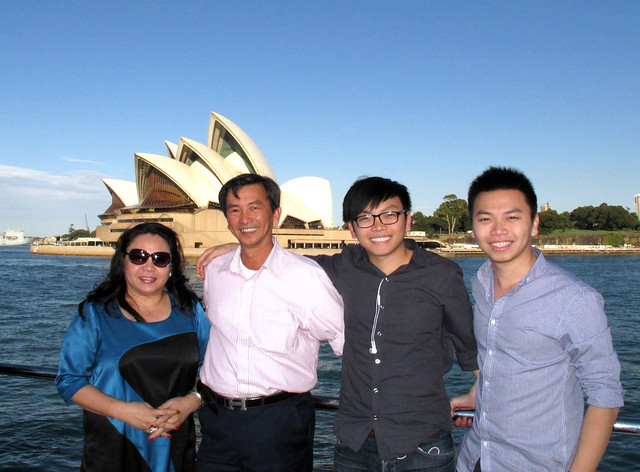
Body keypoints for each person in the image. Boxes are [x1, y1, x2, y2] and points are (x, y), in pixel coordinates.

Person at [197, 176, 478, 472]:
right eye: (365, 218)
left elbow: (469, 343)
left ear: (407, 220)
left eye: (389, 214)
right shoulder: (342, 266)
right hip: (355, 441)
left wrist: (478, 389)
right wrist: (237, 247)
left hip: (421, 436)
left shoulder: (442, 274)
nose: (378, 225)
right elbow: (279, 261)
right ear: (351, 228)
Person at [453, 167, 624, 472]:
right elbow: (497, 356)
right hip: (475, 458)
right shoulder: (480, 282)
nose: (498, 229)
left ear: (534, 224)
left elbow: (606, 396)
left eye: (512, 217)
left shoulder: (574, 299)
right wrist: (476, 393)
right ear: (473, 227)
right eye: (485, 219)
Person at [195, 173, 344, 472]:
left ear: (276, 213)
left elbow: (346, 343)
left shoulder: (306, 276)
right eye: (234, 210)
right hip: (216, 420)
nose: (245, 217)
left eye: (255, 207)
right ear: (226, 219)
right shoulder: (214, 270)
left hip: (279, 422)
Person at [56, 222, 210, 472]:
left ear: (171, 267)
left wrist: (192, 401)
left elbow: (212, 368)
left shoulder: (190, 311)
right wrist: (125, 412)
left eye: (160, 259)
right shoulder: (96, 314)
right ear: (123, 261)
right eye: (138, 257)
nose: (148, 267)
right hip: (114, 446)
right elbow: (70, 380)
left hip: (175, 446)